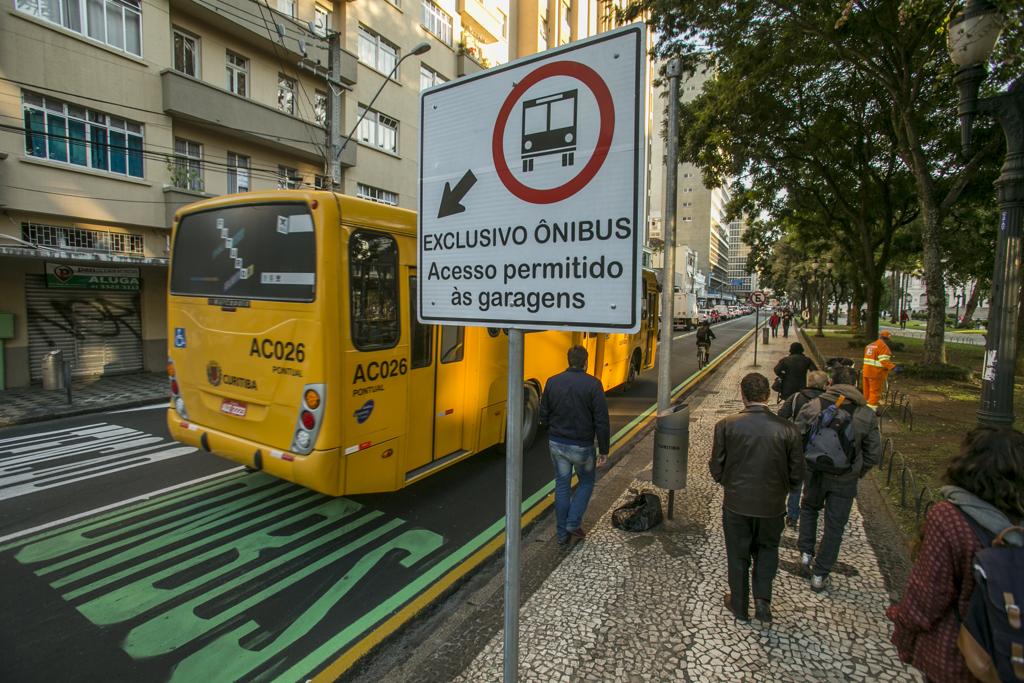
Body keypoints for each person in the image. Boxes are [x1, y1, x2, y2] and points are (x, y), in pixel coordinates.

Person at [886, 428, 1024, 683]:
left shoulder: (950, 518)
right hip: (1009, 657)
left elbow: (925, 597)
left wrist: (903, 639)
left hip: (954, 658)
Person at [710, 372, 803, 623]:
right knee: (768, 549)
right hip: (772, 506)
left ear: (742, 395)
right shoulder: (789, 430)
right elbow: (797, 475)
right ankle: (763, 601)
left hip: (737, 503)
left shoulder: (727, 425)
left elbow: (716, 467)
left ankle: (739, 605)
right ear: (768, 395)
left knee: (737, 554)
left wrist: (729, 484)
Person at [795, 365, 882, 592]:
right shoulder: (866, 415)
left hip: (814, 471)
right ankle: (820, 574)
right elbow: (874, 453)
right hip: (845, 478)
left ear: (830, 383)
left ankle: (805, 554)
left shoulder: (813, 405)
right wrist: (857, 471)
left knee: (809, 509)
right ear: (856, 385)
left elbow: (796, 437)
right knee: (835, 526)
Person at [538, 345, 610, 546]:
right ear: (586, 362)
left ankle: (561, 535)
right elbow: (601, 420)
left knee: (562, 486)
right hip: (582, 447)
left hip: (557, 443)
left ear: (568, 360)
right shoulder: (593, 385)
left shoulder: (552, 382)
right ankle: (573, 522)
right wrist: (604, 449)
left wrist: (552, 430)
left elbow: (543, 415)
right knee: (586, 482)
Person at [778, 369, 829, 529]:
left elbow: (781, 417)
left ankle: (792, 515)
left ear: (808, 382)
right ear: (825, 384)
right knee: (813, 482)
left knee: (795, 481)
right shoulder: (829, 402)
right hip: (819, 449)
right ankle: (810, 511)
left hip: (796, 446)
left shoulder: (795, 398)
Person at [862, 330, 897, 410]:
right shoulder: (883, 347)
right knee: (875, 392)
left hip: (866, 372)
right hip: (876, 373)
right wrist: (893, 367)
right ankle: (871, 411)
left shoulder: (869, 345)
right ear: (887, 339)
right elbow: (884, 361)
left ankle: (864, 407)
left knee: (866, 392)